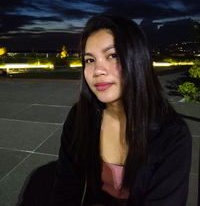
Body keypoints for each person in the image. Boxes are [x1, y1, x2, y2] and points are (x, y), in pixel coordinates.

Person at [51, 14, 192, 206]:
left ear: (137, 60)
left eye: (112, 55)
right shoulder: (80, 117)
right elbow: (65, 191)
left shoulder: (172, 136)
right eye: (90, 60)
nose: (98, 70)